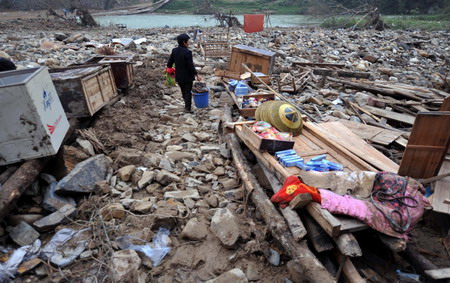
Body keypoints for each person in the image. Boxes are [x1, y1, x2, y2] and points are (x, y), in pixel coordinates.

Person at [167, 33, 201, 113]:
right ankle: (187, 108)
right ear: (184, 42)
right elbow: (190, 65)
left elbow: (169, 63)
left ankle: (186, 106)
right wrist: (196, 74)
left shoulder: (174, 50)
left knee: (183, 91)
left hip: (178, 76)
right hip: (187, 77)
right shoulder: (187, 52)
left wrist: (171, 70)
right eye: (188, 41)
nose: (189, 43)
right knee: (188, 92)